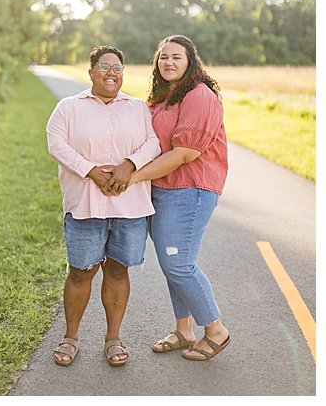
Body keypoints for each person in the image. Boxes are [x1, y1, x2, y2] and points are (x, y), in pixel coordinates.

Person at [100, 35, 231, 361]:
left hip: (190, 189)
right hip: (163, 190)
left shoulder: (200, 96)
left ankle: (215, 330)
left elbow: (185, 153)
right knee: (175, 264)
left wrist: (131, 177)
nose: (168, 62)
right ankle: (184, 330)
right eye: (163, 58)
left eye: (176, 57)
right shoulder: (162, 99)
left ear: (190, 62)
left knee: (178, 264)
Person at [45, 45, 162, 367]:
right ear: (91, 71)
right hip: (85, 204)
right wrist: (91, 171)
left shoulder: (139, 108)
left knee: (117, 269)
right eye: (105, 66)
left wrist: (129, 165)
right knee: (81, 272)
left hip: (129, 207)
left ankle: (113, 338)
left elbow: (153, 143)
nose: (112, 72)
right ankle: (71, 336)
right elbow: (56, 144)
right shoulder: (69, 107)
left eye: (118, 68)